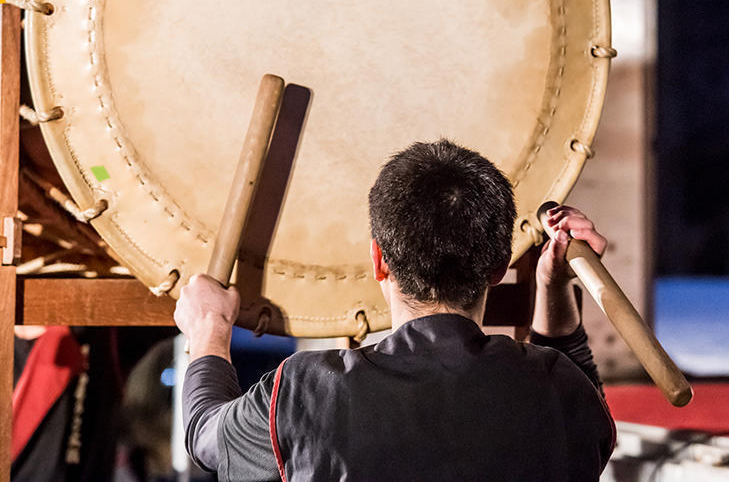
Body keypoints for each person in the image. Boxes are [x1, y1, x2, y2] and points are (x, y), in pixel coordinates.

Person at [175, 139, 615, 481]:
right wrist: (551, 282)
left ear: (379, 260)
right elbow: (584, 406)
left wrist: (209, 327)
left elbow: (206, 434)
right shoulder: (560, 389)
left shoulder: (304, 391)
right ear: (499, 267)